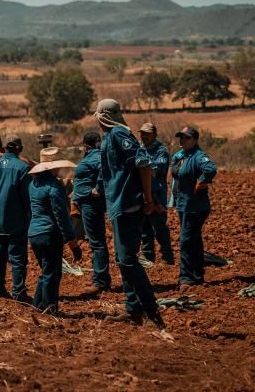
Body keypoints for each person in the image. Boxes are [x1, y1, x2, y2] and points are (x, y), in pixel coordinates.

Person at [94, 99, 165, 329]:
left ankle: (151, 311)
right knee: (123, 260)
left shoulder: (117, 135)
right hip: (119, 204)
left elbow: (143, 164)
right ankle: (132, 309)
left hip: (128, 205)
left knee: (127, 260)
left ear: (101, 116)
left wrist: (147, 199)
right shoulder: (112, 136)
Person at [28, 147, 81, 313]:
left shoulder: (33, 185)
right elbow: (62, 217)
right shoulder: (54, 187)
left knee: (46, 271)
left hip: (34, 233)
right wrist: (73, 243)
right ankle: (51, 309)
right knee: (52, 273)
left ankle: (38, 306)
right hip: (49, 234)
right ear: (53, 167)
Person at [0, 134, 31, 301]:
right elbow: (27, 197)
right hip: (17, 220)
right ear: (20, 149)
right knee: (17, 256)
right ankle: (18, 291)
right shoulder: (23, 168)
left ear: (3, 149)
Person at [170, 126, 217, 288]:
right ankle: (197, 275)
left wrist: (202, 181)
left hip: (195, 207)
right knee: (194, 240)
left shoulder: (198, 156)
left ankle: (186, 278)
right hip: (183, 205)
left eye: (186, 138)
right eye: (181, 137)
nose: (182, 140)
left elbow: (211, 169)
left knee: (186, 241)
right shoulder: (181, 155)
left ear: (195, 140)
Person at [71, 131, 111, 291]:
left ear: (85, 145)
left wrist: (98, 188)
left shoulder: (95, 156)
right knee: (96, 241)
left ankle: (100, 281)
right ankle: (101, 279)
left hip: (91, 203)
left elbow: (104, 169)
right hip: (86, 202)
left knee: (97, 242)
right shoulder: (93, 156)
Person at [138, 123, 174, 265]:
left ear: (154, 135)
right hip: (143, 194)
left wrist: (142, 167)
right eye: (142, 133)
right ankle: (148, 257)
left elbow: (154, 169)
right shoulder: (139, 149)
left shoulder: (161, 151)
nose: (144, 136)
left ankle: (167, 256)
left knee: (159, 226)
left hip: (157, 194)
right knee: (145, 227)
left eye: (147, 133)